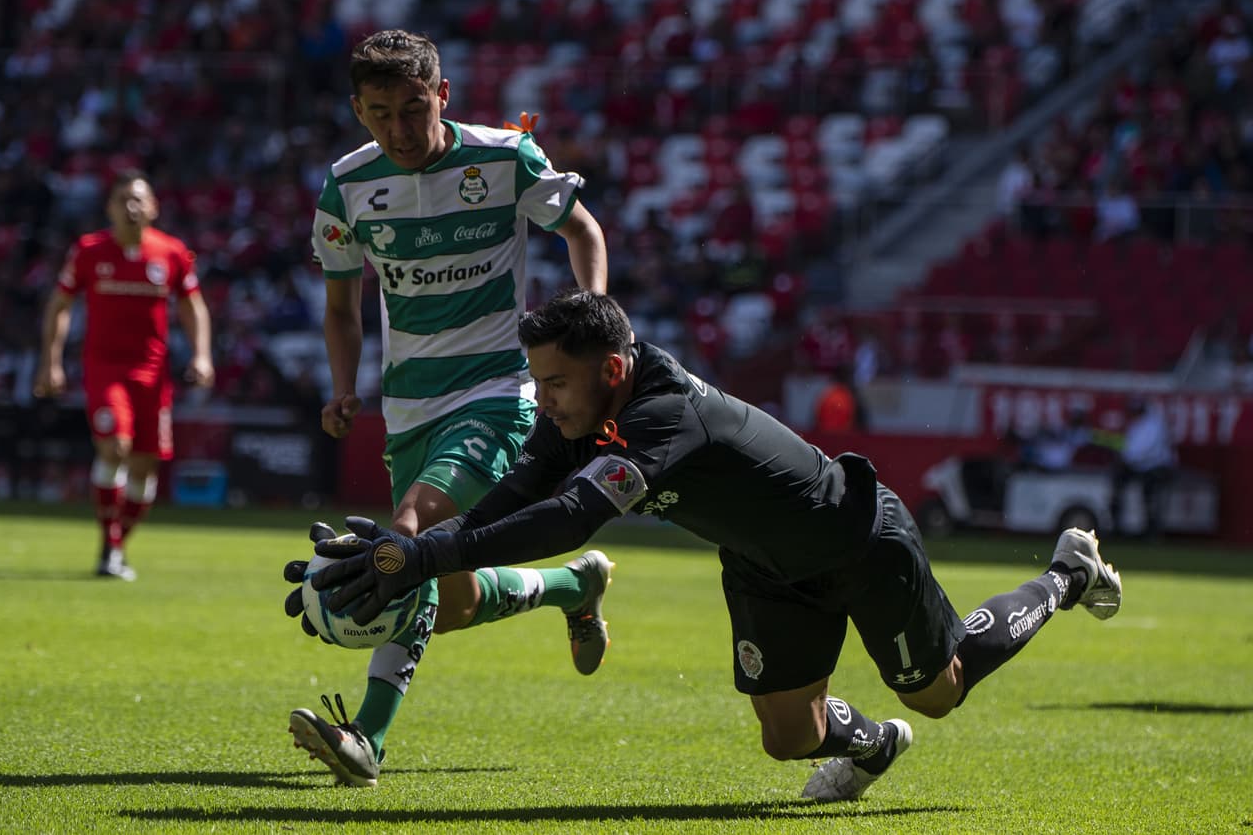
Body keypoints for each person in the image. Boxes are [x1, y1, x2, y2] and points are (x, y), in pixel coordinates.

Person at [296, 290, 1124, 801]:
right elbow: (518, 496)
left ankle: (1063, 572)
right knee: (788, 739)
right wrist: (414, 547)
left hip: (858, 540)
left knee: (938, 693)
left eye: (552, 382)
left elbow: (570, 520)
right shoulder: (578, 413)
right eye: (537, 382)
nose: (541, 400)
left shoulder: (663, 417)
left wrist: (429, 560)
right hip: (767, 567)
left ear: (613, 367)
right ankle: (872, 744)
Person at [283, 28, 611, 788]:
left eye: (413, 107)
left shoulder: (505, 155)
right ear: (359, 112)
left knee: (406, 538)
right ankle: (574, 585)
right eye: (379, 113)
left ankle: (366, 737)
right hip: (410, 407)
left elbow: (581, 229)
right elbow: (342, 305)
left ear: (443, 96)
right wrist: (343, 384)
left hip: (497, 390)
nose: (399, 129)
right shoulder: (347, 187)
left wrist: (589, 323)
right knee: (451, 599)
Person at [33, 168, 214, 581]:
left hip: (153, 375)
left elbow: (193, 306)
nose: (131, 207)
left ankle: (115, 547)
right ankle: (109, 548)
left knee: (145, 470)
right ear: (109, 208)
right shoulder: (88, 251)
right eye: (122, 200)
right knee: (115, 445)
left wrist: (202, 355)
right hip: (105, 369)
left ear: (153, 207)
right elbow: (60, 305)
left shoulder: (171, 253)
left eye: (138, 199)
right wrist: (51, 361)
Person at [1111, 397, 1175, 539]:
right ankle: (1116, 525)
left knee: (1149, 492)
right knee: (1117, 484)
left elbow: (1145, 451)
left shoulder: (1155, 425)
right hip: (1139, 466)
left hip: (1156, 466)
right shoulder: (1136, 425)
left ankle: (1151, 530)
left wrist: (1126, 458)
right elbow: (1129, 447)